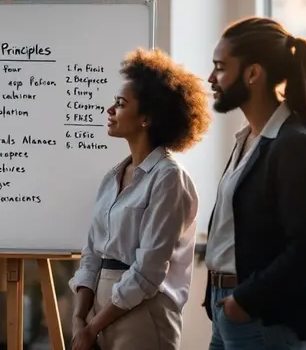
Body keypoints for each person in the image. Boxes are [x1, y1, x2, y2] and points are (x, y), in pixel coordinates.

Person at [203, 16, 306, 350]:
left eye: (220, 67)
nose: (211, 78)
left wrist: (244, 301)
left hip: (261, 316)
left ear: (253, 73)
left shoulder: (293, 143)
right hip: (229, 308)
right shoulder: (249, 138)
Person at [69, 48, 212, 350]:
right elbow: (93, 252)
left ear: (146, 118)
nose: (109, 110)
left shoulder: (169, 177)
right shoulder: (113, 176)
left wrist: (92, 327)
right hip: (100, 310)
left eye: (120, 104)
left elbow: (149, 270)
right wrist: (80, 317)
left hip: (143, 312)